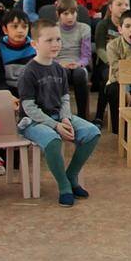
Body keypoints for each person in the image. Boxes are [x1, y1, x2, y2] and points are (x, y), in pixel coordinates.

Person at [17, 19, 101, 207]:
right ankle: (64, 186)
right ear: (34, 44)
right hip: (32, 122)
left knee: (92, 133)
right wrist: (55, 125)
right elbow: (29, 108)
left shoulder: (59, 69)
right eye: (49, 40)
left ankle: (71, 175)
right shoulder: (29, 72)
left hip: (58, 117)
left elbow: (64, 98)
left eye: (58, 39)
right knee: (53, 140)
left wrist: (65, 118)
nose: (55, 44)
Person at [92, 0, 130, 127]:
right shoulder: (103, 25)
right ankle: (99, 116)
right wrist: (113, 63)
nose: (123, 7)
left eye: (126, 5)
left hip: (126, 63)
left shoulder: (130, 25)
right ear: (110, 7)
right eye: (119, 4)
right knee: (108, 78)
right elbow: (100, 49)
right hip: (106, 63)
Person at [55, 0, 91, 120]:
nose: (70, 17)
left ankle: (82, 116)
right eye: (66, 14)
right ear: (58, 14)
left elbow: (86, 55)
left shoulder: (84, 28)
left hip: (78, 63)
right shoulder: (53, 29)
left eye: (73, 13)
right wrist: (60, 64)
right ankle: (62, 116)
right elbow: (50, 55)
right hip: (59, 63)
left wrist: (79, 64)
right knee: (62, 73)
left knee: (79, 74)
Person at [0, 8, 35, 97]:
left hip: (30, 91)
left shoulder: (35, 47)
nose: (20, 30)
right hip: (7, 92)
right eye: (15, 26)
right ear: (5, 29)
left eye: (24, 26)